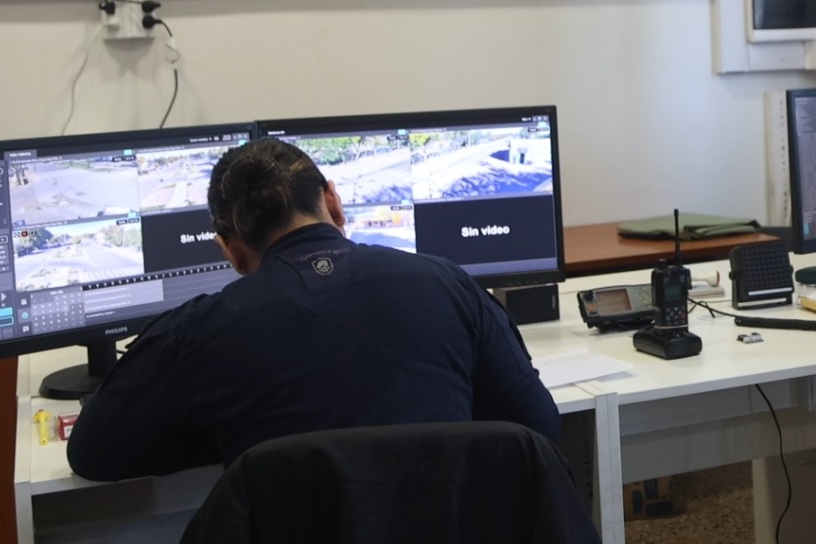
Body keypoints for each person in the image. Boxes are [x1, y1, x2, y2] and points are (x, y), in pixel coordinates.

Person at [67, 137, 560, 481]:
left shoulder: (199, 330)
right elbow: (538, 425)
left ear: (230, 251)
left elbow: (93, 454)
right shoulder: (449, 284)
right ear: (333, 202)